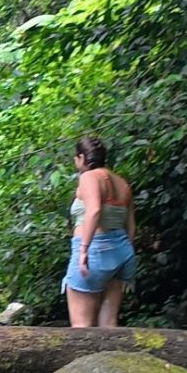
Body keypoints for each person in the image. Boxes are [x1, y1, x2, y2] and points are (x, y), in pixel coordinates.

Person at [62, 135, 135, 328]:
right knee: (108, 324)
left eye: (75, 158)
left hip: (95, 251)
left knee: (82, 328)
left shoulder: (88, 177)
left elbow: (94, 210)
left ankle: (88, 359)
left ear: (81, 158)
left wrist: (84, 250)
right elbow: (131, 226)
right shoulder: (122, 183)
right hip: (122, 252)